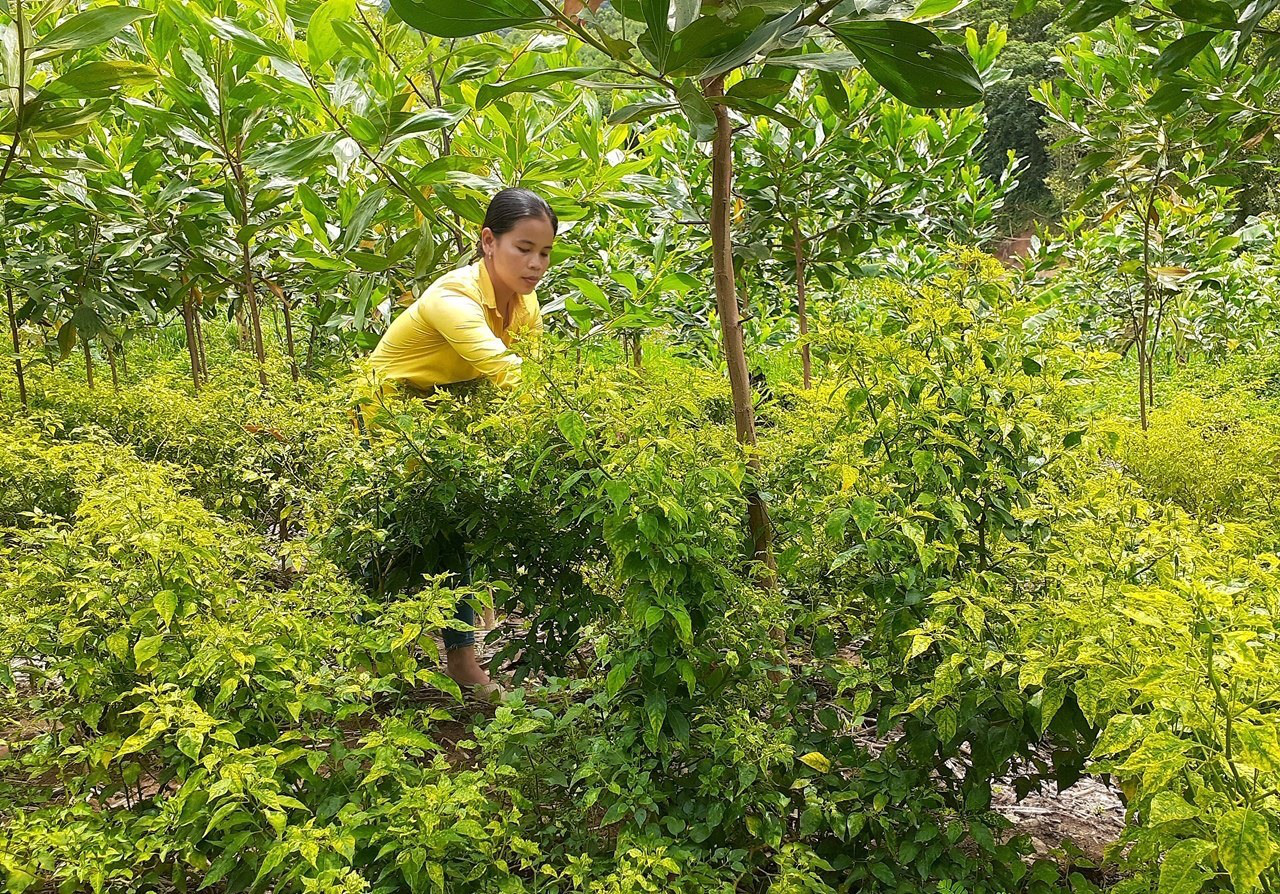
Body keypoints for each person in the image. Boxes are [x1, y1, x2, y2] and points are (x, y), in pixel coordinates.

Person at [366, 187, 557, 691]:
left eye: (544, 252)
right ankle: (439, 657)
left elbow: (524, 379)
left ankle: (445, 637)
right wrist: (575, 416)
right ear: (488, 241)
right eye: (524, 248)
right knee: (424, 525)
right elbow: (504, 368)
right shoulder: (452, 296)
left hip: (451, 403)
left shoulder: (525, 303)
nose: (535, 263)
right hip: (391, 405)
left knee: (465, 516)